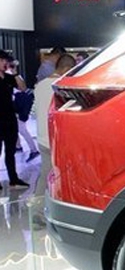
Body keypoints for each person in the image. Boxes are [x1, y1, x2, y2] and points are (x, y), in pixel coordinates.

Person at [34, 52, 77, 183]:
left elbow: (35, 110)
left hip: (42, 137)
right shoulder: (61, 87)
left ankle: (39, 196)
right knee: (62, 177)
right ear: (67, 69)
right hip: (57, 139)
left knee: (45, 173)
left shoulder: (39, 85)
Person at [0, 51, 28, 188]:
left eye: (6, 60)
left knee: (10, 151)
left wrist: (15, 73)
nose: (5, 63)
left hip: (10, 118)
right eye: (2, 60)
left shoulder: (8, 78)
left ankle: (13, 178)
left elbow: (23, 88)